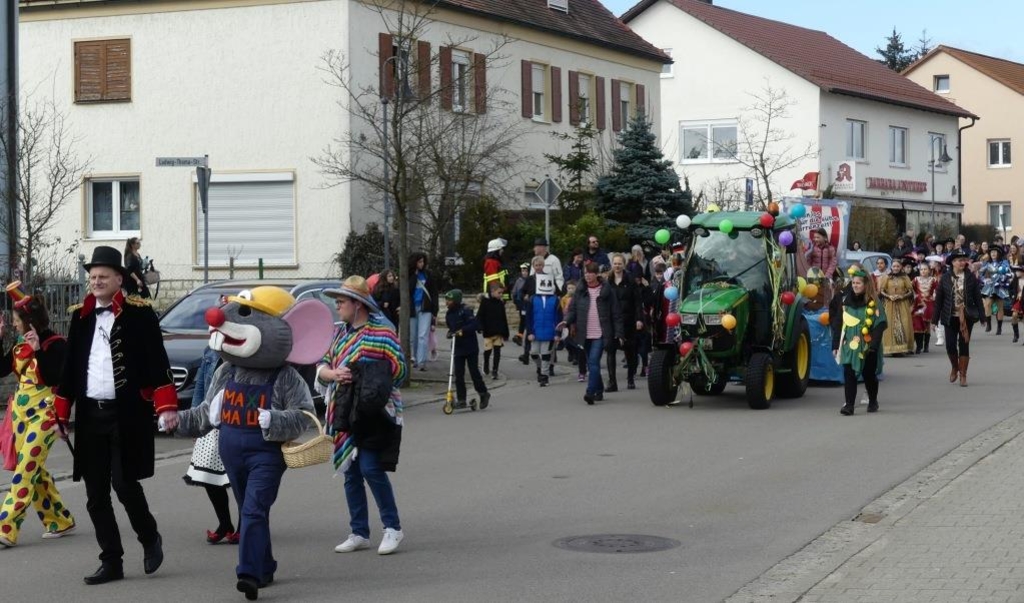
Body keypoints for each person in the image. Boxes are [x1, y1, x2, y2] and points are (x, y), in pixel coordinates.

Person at [53, 246, 178, 585]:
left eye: (103, 276)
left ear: (118, 279)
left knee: (124, 484)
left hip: (128, 414)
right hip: (91, 415)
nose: (96, 281)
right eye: (92, 276)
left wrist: (166, 406)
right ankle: (112, 561)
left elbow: (157, 359)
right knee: (95, 495)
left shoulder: (139, 314)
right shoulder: (80, 316)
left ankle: (149, 537)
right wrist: (61, 413)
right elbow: (70, 368)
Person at [316, 277, 406, 559]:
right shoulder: (338, 334)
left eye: (341, 302)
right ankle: (359, 532)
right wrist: (332, 374)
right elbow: (322, 366)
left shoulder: (383, 333)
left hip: (373, 413)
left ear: (358, 305)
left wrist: (371, 374)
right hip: (343, 410)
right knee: (350, 473)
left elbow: (401, 371)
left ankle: (392, 527)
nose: (337, 306)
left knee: (370, 467)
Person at [0, 283, 76, 547]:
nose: (14, 325)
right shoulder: (19, 346)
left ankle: (5, 527)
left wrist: (39, 351)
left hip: (45, 417)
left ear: (29, 321)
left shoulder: (56, 345)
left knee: (24, 472)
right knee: (35, 471)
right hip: (21, 417)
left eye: (16, 321)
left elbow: (57, 378)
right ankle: (60, 519)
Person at [183, 294, 240, 546]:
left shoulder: (243, 349)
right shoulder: (210, 349)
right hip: (211, 423)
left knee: (238, 478)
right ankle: (225, 523)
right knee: (209, 477)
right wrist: (197, 419)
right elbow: (200, 387)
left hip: (236, 421)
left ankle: (245, 525)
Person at [560, 262, 623, 405]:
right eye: (586, 273)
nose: (588, 275)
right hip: (584, 333)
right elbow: (572, 310)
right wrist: (566, 322)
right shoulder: (580, 290)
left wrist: (619, 333)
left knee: (594, 361)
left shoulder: (607, 290)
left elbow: (616, 313)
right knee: (591, 363)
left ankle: (590, 392)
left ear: (596, 274)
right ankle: (599, 390)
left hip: (601, 332)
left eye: (590, 273)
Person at [832, 266, 887, 415]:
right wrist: (835, 344)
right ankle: (849, 405)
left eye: (858, 283)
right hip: (849, 344)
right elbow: (838, 323)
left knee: (869, 374)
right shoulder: (845, 301)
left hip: (868, 345)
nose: (855, 285)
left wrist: (874, 345)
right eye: (853, 283)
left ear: (865, 285)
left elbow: (880, 323)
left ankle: (873, 400)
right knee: (849, 373)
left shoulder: (873, 302)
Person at [933, 249, 984, 387]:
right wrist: (934, 320)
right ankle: (955, 367)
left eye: (964, 260)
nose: (963, 262)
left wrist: (983, 316)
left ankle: (963, 374)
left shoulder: (970, 277)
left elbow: (978, 297)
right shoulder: (944, 278)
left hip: (966, 317)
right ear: (953, 262)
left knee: (964, 345)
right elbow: (939, 300)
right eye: (959, 260)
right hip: (949, 316)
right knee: (950, 345)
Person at [444, 289, 491, 410]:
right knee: (458, 374)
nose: (447, 302)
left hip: (470, 347)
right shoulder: (449, 314)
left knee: (474, 372)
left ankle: (483, 393)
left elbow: (474, 325)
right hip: (457, 347)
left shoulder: (465, 311)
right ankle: (461, 399)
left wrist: (463, 331)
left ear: (456, 301)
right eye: (446, 300)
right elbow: (451, 328)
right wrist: (450, 333)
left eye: (449, 300)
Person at [605, 253, 644, 391]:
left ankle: (630, 378)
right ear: (612, 264)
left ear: (624, 264)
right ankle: (612, 382)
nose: (617, 266)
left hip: (628, 319)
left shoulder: (630, 279)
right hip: (612, 321)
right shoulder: (607, 280)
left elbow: (638, 301)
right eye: (615, 263)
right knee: (611, 350)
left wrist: (639, 319)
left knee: (630, 351)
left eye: (619, 263)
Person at [525, 256, 562, 386]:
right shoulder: (533, 299)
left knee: (546, 354)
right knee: (534, 353)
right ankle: (540, 368)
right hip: (535, 330)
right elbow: (528, 317)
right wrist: (529, 331)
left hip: (549, 330)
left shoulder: (555, 300)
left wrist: (558, 333)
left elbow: (559, 317)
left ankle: (544, 375)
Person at [407, 252, 438, 371]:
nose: (422, 264)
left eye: (423, 261)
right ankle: (414, 358)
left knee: (423, 335)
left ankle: (422, 361)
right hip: (412, 308)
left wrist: (435, 310)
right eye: (419, 261)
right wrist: (414, 277)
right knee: (413, 336)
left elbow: (434, 293)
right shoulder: (409, 275)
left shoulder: (428, 275)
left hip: (426, 308)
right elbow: (408, 290)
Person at [878, 258, 914, 355]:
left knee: (904, 324)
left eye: (898, 266)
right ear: (891, 267)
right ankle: (890, 348)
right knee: (889, 325)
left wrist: (902, 296)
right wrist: (889, 296)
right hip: (890, 305)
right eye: (894, 266)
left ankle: (903, 348)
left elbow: (910, 291)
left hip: (902, 304)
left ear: (901, 267)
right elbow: (881, 290)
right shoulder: (887, 277)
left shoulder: (905, 278)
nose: (896, 268)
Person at [477, 282, 509, 380]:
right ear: (492, 291)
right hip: (488, 331)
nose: (501, 295)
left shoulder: (500, 303)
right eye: (499, 293)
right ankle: (486, 363)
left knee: (497, 352)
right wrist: (479, 327)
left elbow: (504, 318)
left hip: (498, 332)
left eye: (501, 293)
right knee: (488, 351)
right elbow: (480, 316)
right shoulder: (485, 302)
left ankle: (495, 370)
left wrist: (505, 333)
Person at [979, 246, 1011, 334]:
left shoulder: (1003, 262)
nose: (993, 253)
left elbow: (1008, 272)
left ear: (999, 253)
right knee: (987, 304)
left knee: (1000, 306)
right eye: (991, 252)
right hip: (989, 287)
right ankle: (989, 324)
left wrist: (1003, 278)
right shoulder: (986, 263)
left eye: (995, 252)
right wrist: (984, 280)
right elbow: (980, 274)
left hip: (1000, 287)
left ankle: (999, 328)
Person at [912, 262, 937, 354]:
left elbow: (937, 290)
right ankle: (919, 346)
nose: (923, 271)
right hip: (918, 304)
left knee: (927, 325)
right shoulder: (915, 279)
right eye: (921, 269)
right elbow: (911, 289)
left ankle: (926, 345)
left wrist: (935, 296)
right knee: (918, 324)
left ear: (929, 270)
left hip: (929, 304)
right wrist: (915, 297)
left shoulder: (933, 279)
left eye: (925, 269)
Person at [511, 262, 530, 346]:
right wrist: (516, 301)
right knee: (522, 320)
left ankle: (529, 337)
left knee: (529, 321)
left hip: (529, 303)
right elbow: (514, 292)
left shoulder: (531, 280)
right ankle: (519, 336)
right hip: (521, 304)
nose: (524, 273)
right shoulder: (519, 281)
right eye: (523, 271)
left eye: (526, 271)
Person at [1010, 265, 1024, 344]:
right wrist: (1012, 296)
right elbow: (1010, 288)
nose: (1016, 272)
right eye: (1015, 271)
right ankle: (1016, 334)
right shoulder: (1015, 280)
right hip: (1018, 300)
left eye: (1018, 271)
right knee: (1014, 315)